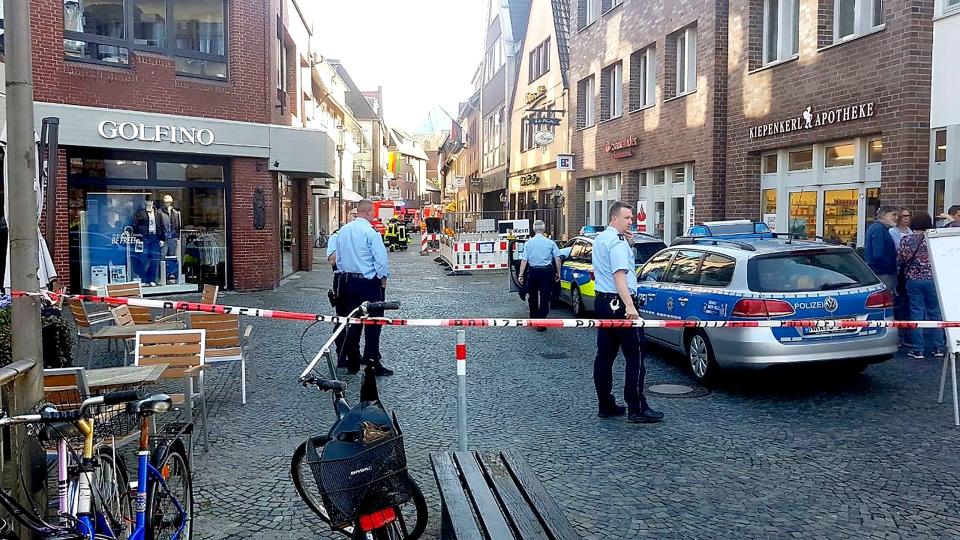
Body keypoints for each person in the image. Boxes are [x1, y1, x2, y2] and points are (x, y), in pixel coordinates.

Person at [592, 202, 663, 424]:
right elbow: (620, 275)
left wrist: (629, 244)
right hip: (621, 304)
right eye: (627, 218)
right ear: (615, 219)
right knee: (636, 355)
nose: (631, 222)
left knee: (605, 355)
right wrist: (630, 307)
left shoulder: (601, 239)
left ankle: (605, 404)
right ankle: (637, 407)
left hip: (603, 302)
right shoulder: (618, 242)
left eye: (631, 218)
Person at [335, 200, 393, 376]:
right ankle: (372, 362)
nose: (374, 216)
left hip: (347, 281)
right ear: (368, 212)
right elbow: (381, 260)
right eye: (373, 213)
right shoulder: (371, 232)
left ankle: (352, 361)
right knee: (373, 323)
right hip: (368, 283)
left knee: (352, 322)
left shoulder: (343, 231)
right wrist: (382, 278)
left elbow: (338, 259)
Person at [897, 211, 946, 360]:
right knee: (935, 313)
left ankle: (918, 349)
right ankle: (938, 347)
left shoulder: (906, 240)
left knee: (916, 312)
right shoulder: (935, 239)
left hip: (914, 280)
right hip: (933, 279)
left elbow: (900, 260)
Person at [327, 208, 358, 365]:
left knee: (356, 319)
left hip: (354, 280)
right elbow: (332, 260)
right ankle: (341, 354)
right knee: (341, 318)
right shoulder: (336, 236)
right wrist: (346, 249)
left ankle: (354, 352)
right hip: (340, 279)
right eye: (353, 218)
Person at [517, 220, 561, 328]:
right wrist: (558, 273)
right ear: (544, 229)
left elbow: (524, 260)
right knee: (545, 296)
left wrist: (521, 275)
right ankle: (542, 321)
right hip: (546, 272)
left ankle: (534, 318)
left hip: (533, 272)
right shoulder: (550, 243)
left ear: (533, 229)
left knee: (532, 296)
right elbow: (558, 259)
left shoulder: (528, 243)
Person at [865, 206, 899, 291]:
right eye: (893, 215)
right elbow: (878, 254)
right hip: (883, 274)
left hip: (880, 272)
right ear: (883, 215)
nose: (896, 218)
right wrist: (890, 268)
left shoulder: (877, 228)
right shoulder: (879, 229)